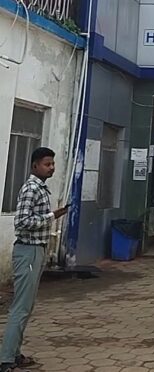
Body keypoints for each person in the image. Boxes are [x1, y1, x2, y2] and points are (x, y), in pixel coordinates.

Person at [0, 147, 68, 372]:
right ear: (35, 165)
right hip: (27, 251)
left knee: (26, 306)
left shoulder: (41, 188)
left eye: (53, 164)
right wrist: (51, 216)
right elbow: (22, 221)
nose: (52, 168)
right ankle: (6, 359)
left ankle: (14, 353)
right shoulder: (31, 189)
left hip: (37, 250)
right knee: (20, 307)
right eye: (47, 164)